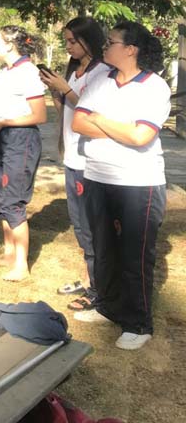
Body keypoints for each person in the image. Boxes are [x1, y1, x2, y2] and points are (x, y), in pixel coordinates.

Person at [71, 21, 169, 351]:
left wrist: (99, 120)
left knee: (135, 256)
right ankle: (108, 307)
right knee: (104, 250)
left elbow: (141, 136)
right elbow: (78, 120)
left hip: (138, 184)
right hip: (98, 177)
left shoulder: (154, 87)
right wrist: (117, 126)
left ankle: (138, 323)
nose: (105, 46)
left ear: (131, 49)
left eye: (111, 42)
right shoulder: (101, 79)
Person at [38, 17, 110, 311]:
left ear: (88, 39)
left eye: (72, 41)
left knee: (90, 227)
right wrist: (57, 92)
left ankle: (99, 289)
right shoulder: (75, 70)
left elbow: (94, 113)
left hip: (89, 160)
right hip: (72, 156)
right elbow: (67, 110)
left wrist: (66, 90)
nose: (68, 47)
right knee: (80, 226)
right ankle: (91, 279)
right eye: (65, 41)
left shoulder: (103, 72)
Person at [0, 26, 48, 283]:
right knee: (1, 198)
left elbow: (39, 115)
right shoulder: (3, 73)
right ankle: (9, 253)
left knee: (14, 201)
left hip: (21, 141)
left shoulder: (28, 72)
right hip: (3, 137)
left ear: (10, 44)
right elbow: (2, 109)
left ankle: (21, 264)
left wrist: (5, 123)